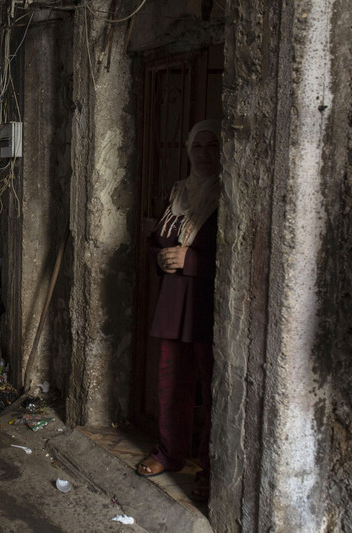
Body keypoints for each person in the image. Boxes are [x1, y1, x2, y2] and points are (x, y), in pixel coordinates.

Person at [135, 119, 221, 503]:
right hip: (174, 303)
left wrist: (192, 259)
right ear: (188, 150)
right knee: (172, 385)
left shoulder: (229, 195)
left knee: (214, 390)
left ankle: (209, 469)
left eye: (213, 145)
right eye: (198, 146)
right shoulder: (178, 193)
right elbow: (157, 241)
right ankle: (170, 454)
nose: (205, 153)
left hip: (209, 306)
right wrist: (163, 258)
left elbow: (238, 258)